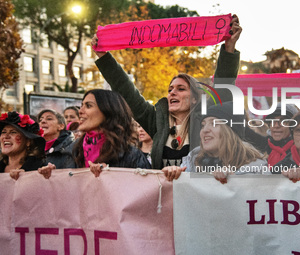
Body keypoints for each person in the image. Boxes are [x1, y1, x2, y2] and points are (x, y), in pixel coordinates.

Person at [92, 15, 242, 169]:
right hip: (163, 193)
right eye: (170, 90)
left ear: (195, 99)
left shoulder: (204, 119)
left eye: (181, 89)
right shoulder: (156, 120)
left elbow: (223, 88)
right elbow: (126, 89)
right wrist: (104, 57)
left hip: (198, 192)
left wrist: (229, 48)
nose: (172, 93)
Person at [162, 102, 269, 183]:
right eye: (203, 125)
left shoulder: (258, 169)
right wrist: (171, 175)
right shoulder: (192, 160)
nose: (205, 130)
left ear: (231, 131)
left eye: (214, 123)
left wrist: (235, 181)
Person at [73, 89, 151, 177]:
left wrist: (112, 175)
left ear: (108, 111)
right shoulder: (74, 150)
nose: (80, 111)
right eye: (81, 105)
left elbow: (147, 188)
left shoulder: (131, 155)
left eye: (88, 106)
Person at [0, 111, 46, 180]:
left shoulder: (40, 169)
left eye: (13, 132)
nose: (6, 136)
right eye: (3, 132)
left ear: (28, 142)